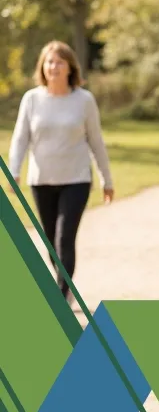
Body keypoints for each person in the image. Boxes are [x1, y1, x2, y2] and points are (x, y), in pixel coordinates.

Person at [8, 40, 114, 302]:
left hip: (76, 179)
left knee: (64, 239)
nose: (53, 66)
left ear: (70, 67)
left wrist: (106, 179)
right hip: (41, 180)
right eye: (49, 61)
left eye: (59, 61)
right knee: (50, 243)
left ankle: (60, 296)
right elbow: (20, 138)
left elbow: (96, 141)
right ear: (42, 67)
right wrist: (14, 169)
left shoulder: (84, 100)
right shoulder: (32, 99)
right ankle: (63, 287)